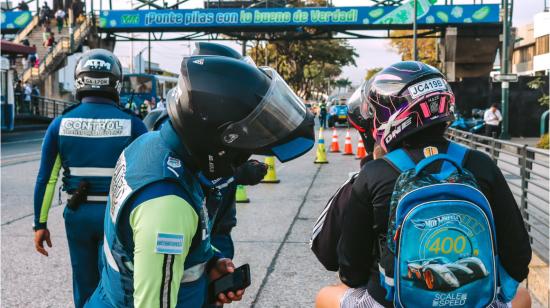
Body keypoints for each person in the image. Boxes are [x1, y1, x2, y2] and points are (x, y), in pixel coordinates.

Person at [85, 55, 315, 308]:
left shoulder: (151, 145)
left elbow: (140, 248)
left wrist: (208, 262)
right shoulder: (168, 206)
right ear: (215, 139)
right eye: (243, 146)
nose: (245, 156)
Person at [315, 61, 532, 308]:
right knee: (522, 296)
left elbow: (350, 272)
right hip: (474, 302)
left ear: (391, 115)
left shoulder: (375, 173)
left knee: (325, 296)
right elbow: (519, 259)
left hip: (392, 303)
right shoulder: (481, 165)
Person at [32, 49, 147, 308]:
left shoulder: (60, 124)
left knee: (84, 285)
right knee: (119, 286)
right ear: (115, 81)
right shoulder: (133, 124)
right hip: (118, 217)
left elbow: (46, 180)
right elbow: (146, 177)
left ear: (79, 80)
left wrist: (39, 224)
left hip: (78, 215)